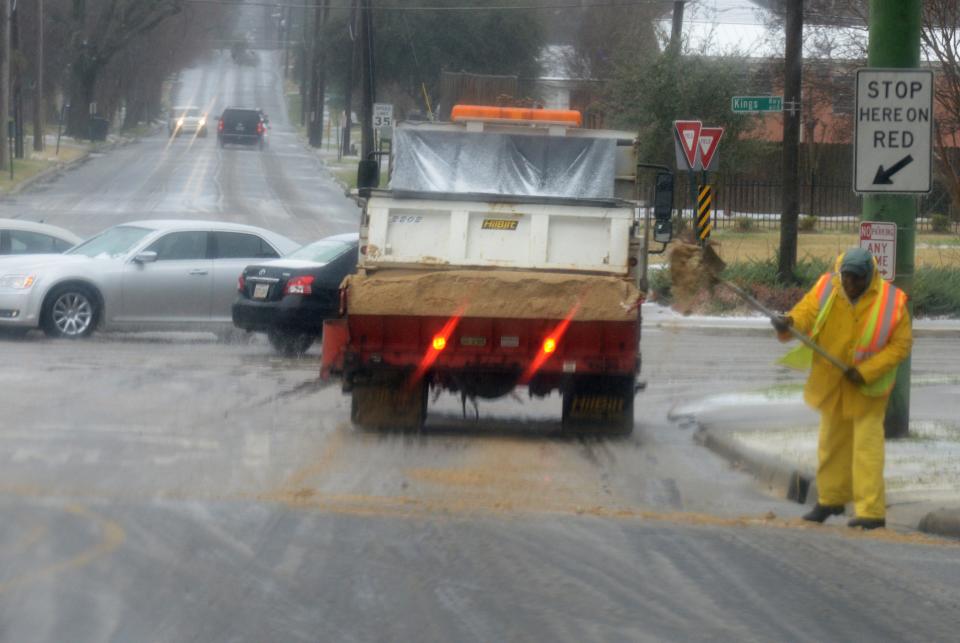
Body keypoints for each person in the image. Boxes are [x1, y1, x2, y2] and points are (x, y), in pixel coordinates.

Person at [772, 247, 912, 530]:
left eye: (856, 280)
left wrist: (866, 372)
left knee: (866, 451)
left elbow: (901, 345)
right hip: (833, 383)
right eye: (846, 278)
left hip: (867, 390)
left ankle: (871, 512)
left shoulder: (891, 301)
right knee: (831, 446)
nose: (849, 285)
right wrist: (787, 323)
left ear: (868, 277)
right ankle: (830, 499)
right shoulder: (828, 287)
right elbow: (806, 314)